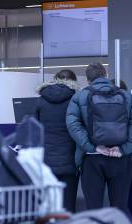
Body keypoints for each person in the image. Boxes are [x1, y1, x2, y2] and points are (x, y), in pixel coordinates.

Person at [66, 63, 132, 218]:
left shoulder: (80, 96)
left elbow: (72, 124)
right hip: (120, 158)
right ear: (106, 75)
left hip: (91, 159)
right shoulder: (125, 95)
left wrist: (92, 147)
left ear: (88, 80)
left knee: (93, 208)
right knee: (120, 207)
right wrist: (124, 149)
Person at [31, 69, 80, 213]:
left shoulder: (40, 100)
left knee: (48, 203)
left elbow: (33, 129)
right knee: (68, 203)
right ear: (74, 82)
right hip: (69, 159)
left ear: (54, 79)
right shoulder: (75, 100)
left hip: (47, 161)